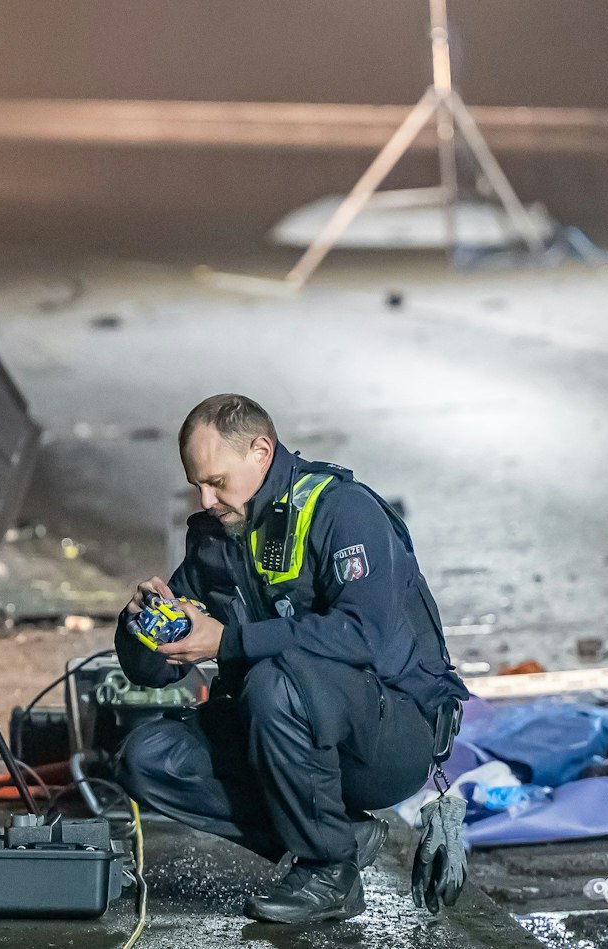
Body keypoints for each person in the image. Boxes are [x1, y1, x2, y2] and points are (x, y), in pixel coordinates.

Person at [111, 394, 467, 924]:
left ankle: (329, 871)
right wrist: (140, 627)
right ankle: (338, 832)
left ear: (261, 450)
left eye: (216, 481)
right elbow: (157, 669)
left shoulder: (342, 510)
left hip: (389, 735)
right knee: (148, 758)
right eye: (196, 485)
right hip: (282, 727)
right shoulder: (218, 536)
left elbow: (363, 634)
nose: (205, 499)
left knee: (273, 683)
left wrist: (228, 642)